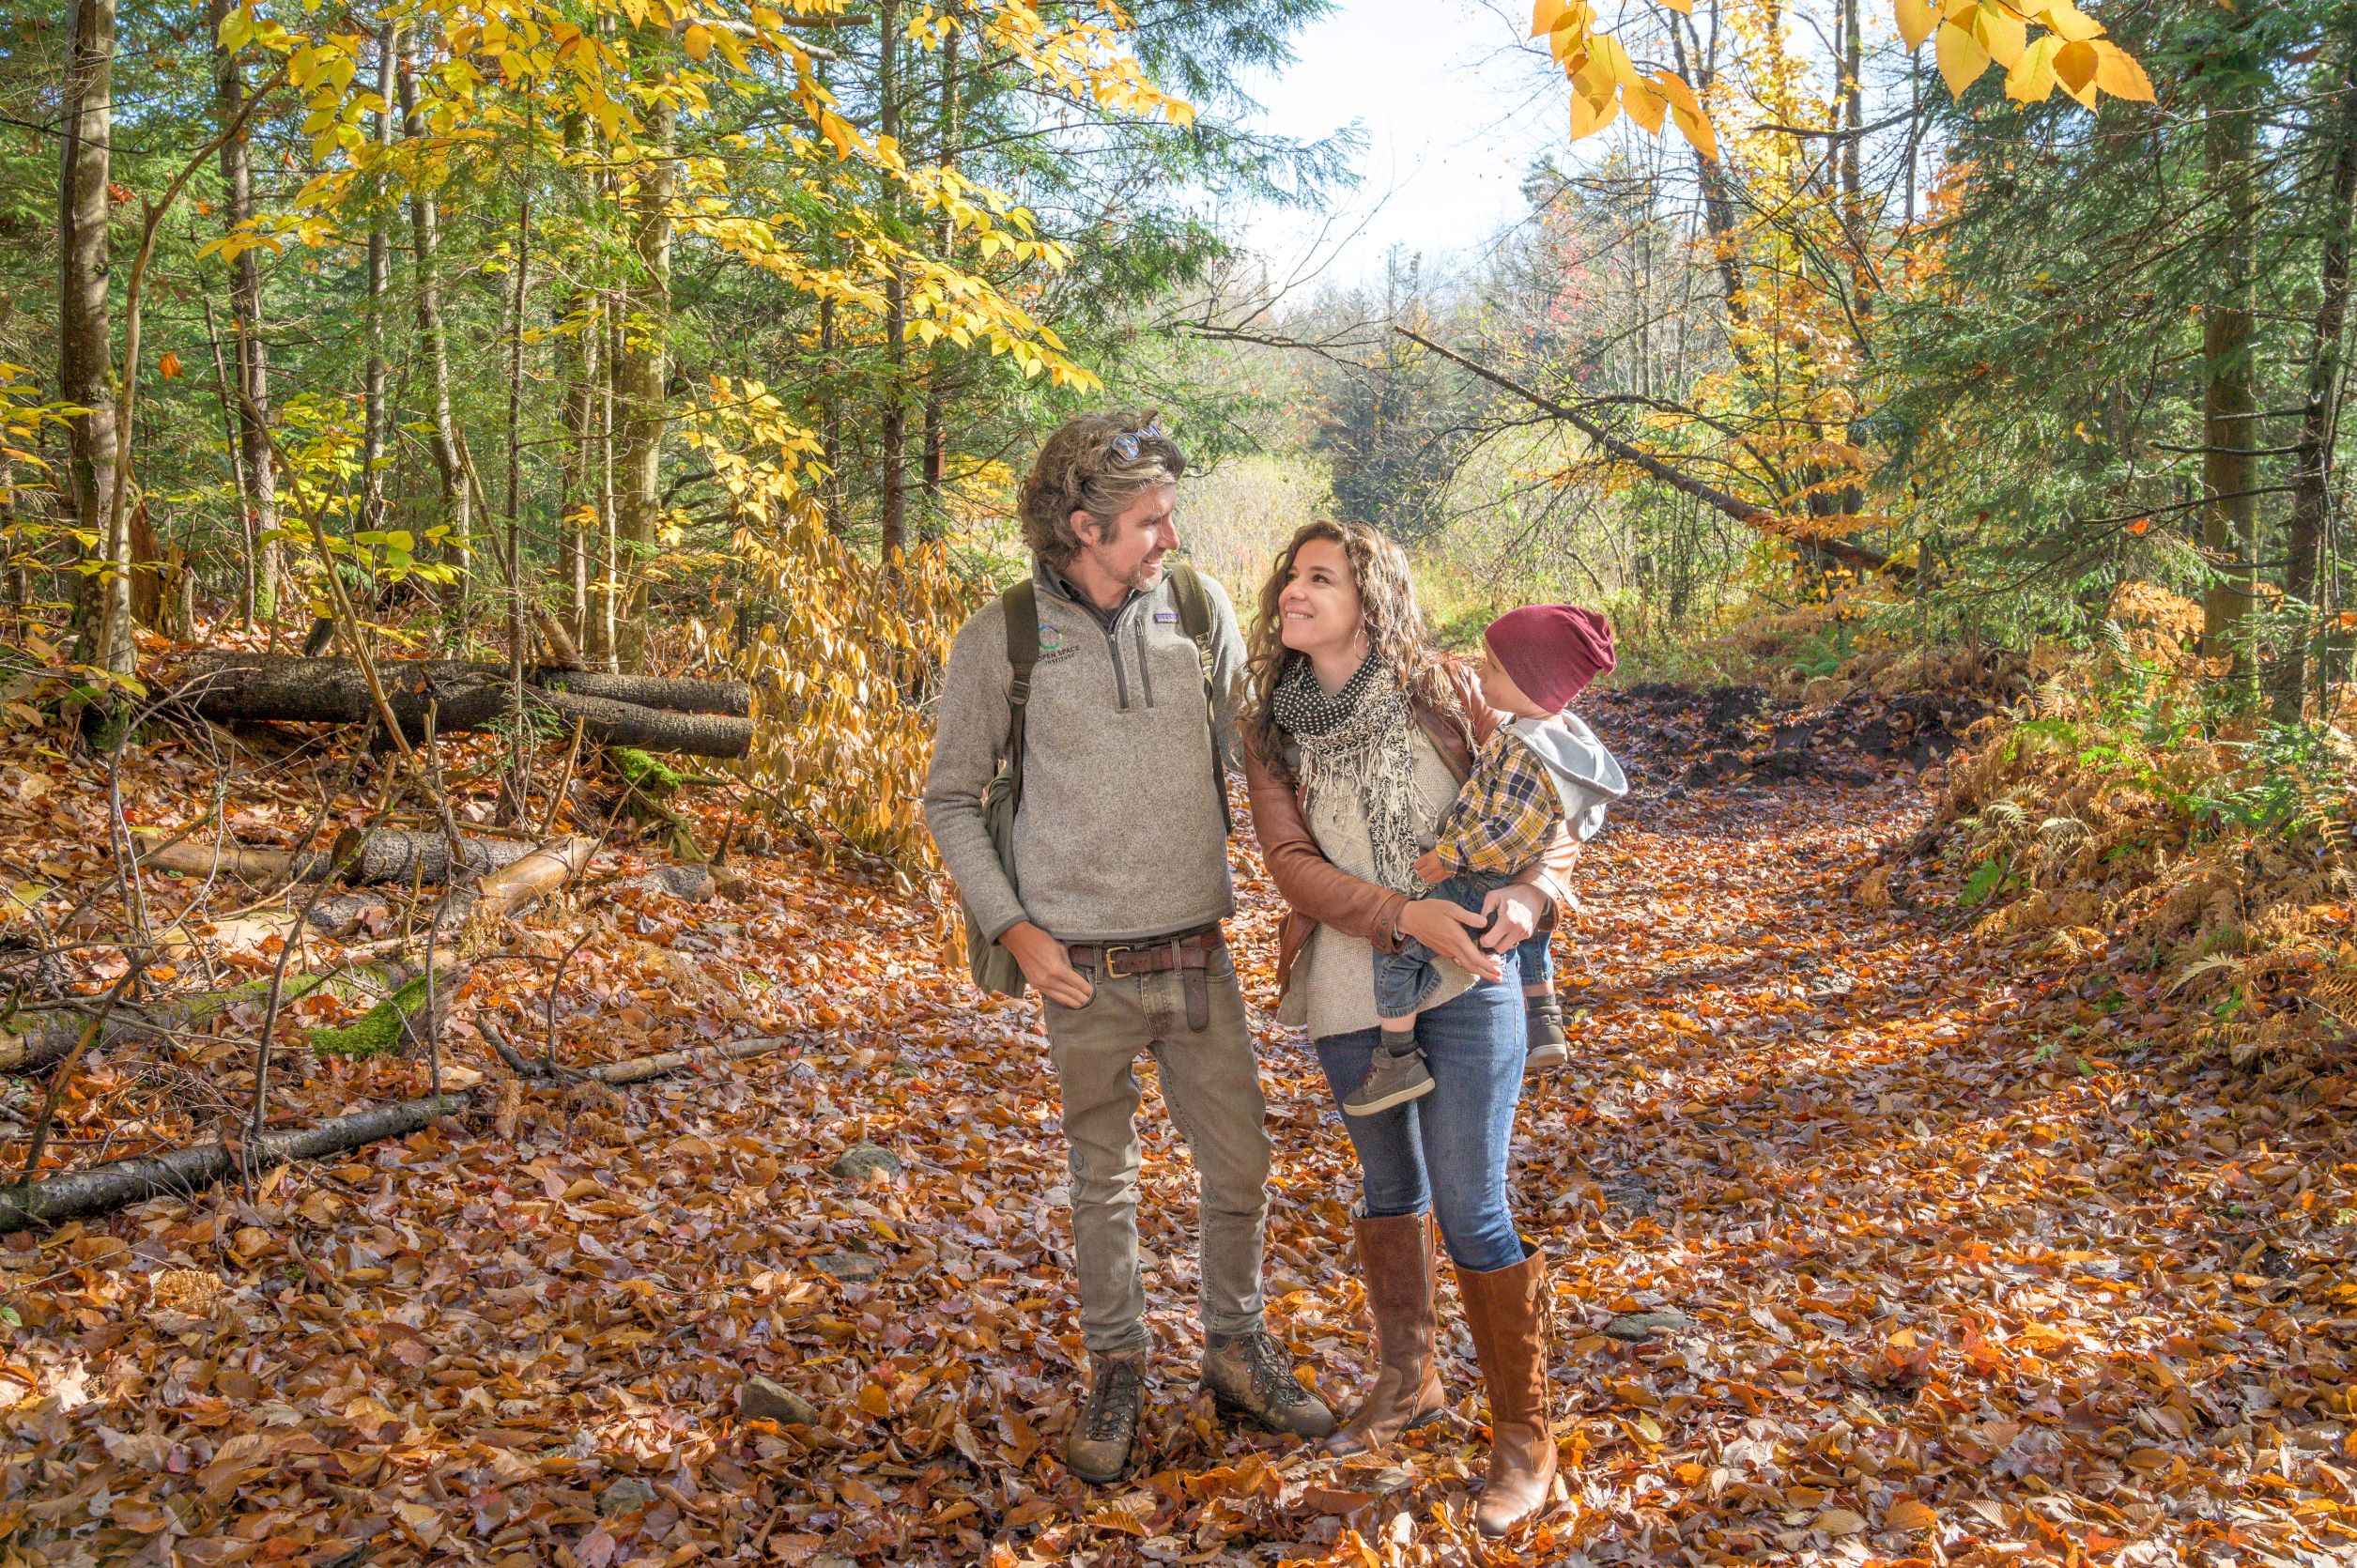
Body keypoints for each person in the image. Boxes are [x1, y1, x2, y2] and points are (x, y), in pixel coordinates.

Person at [922, 413, 1333, 1486]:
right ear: (1081, 525)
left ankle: (1235, 1350)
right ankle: (1116, 1364)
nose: (1169, 535)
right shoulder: (999, 639)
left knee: (1239, 1160)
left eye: (1166, 515)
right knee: (1100, 1177)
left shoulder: (1193, 614)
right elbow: (951, 799)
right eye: (1149, 521)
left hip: (1197, 947)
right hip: (1080, 967)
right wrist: (1013, 927)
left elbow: (1274, 741)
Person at [1241, 519, 1580, 1538]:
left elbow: (1549, 800)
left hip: (1470, 973)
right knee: (1390, 1187)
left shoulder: (1446, 689)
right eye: (1289, 576)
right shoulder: (1270, 723)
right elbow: (1288, 862)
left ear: (1367, 594)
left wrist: (1530, 896)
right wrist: (1399, 913)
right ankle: (1406, 1381)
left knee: (1472, 1201)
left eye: (1319, 577)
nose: (1293, 591)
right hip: (1349, 985)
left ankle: (1524, 1438)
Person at [1344, 603, 1627, 1116]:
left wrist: (1450, 856)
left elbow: (1508, 829)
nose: (1480, 672)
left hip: (1479, 876)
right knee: (1530, 934)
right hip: (1507, 876)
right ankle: (1541, 1013)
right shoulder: (1556, 736)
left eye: (1495, 668)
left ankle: (1398, 1056)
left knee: (1397, 947)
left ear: (1533, 683)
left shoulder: (1526, 751)